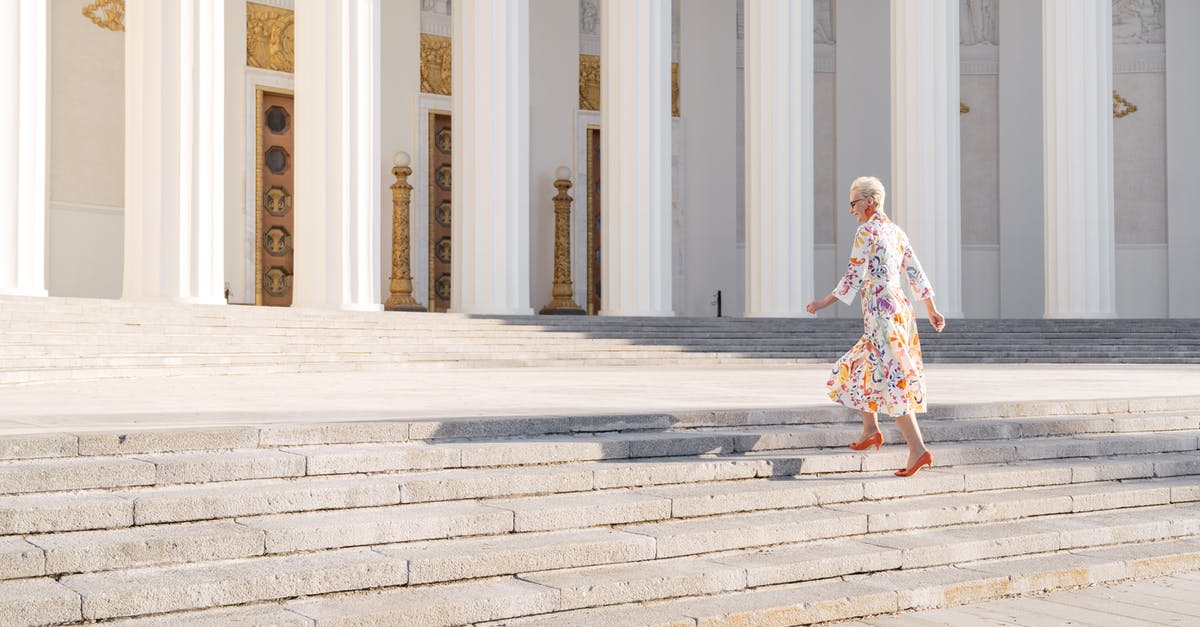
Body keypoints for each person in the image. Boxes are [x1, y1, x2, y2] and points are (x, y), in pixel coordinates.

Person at [805, 176, 946, 477]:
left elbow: (852, 276)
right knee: (856, 367)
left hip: (882, 317)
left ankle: (918, 450)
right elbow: (915, 272)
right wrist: (931, 309)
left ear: (869, 202)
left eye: (853, 203)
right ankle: (870, 429)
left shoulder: (865, 231)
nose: (851, 210)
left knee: (894, 381)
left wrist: (822, 303)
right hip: (898, 313)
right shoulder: (896, 232)